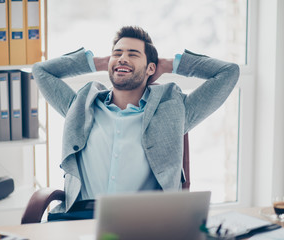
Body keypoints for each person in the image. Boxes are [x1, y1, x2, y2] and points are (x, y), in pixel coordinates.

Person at [32, 26, 240, 219]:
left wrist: (169, 65)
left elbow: (228, 72)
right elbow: (41, 71)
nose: (122, 58)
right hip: (81, 217)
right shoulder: (80, 106)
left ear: (151, 68)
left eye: (132, 54)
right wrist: (99, 62)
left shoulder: (174, 109)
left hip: (144, 220)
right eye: (118, 53)